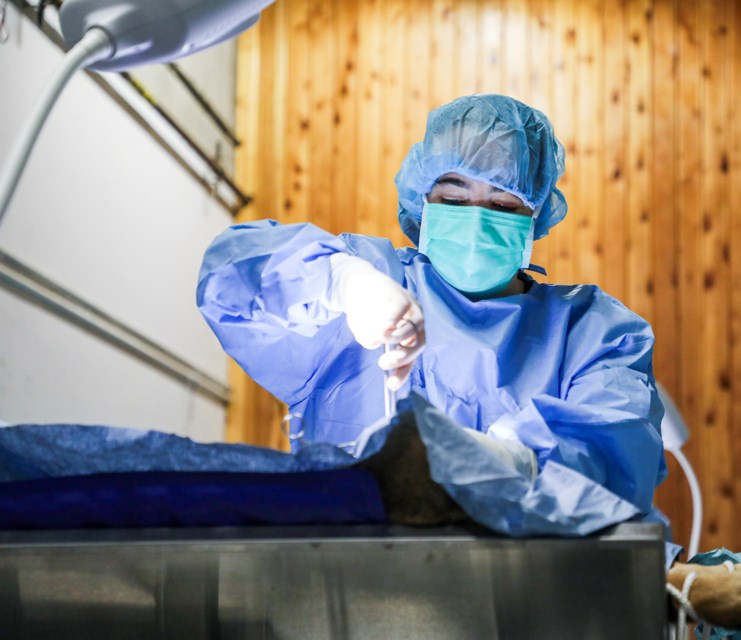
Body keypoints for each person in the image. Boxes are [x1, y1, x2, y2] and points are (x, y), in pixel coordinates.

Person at [197, 94, 666, 533]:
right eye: (454, 197)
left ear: (536, 214)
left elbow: (611, 455)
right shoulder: (371, 279)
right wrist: (341, 282)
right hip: (350, 579)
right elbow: (230, 279)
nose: (477, 217)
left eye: (503, 203)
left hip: (524, 591)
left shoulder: (592, 331)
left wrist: (483, 463)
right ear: (421, 202)